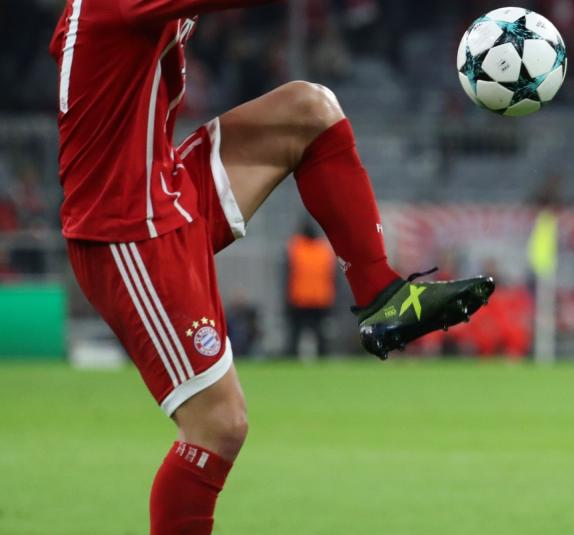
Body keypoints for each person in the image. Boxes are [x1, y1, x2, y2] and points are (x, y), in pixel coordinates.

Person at [50, 2, 494, 533]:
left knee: (308, 109)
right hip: (127, 229)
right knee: (218, 426)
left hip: (165, 186)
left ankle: (383, 296)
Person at [284, 220, 336, 358]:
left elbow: (287, 275)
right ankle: (323, 359)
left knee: (295, 334)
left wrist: (286, 300)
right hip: (321, 300)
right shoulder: (324, 250)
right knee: (321, 335)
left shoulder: (295, 247)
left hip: (299, 299)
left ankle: (292, 358)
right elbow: (332, 277)